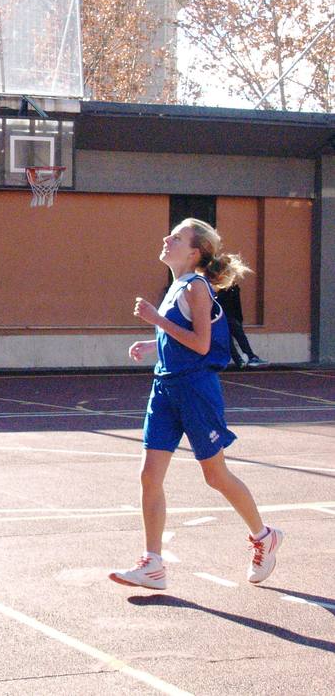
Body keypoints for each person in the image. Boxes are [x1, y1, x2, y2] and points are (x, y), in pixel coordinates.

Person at [110, 218, 283, 590]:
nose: (165, 239)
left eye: (175, 237)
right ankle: (153, 563)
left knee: (214, 475)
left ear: (194, 251)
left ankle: (264, 536)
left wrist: (156, 321)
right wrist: (154, 345)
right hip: (165, 386)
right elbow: (181, 338)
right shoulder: (174, 286)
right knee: (149, 475)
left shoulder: (197, 287)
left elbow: (202, 344)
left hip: (195, 389)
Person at [215, 283, 268, 369]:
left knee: (239, 335)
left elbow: (237, 304)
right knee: (228, 339)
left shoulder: (234, 287)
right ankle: (239, 360)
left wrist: (239, 318)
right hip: (220, 315)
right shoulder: (216, 287)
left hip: (230, 316)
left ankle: (250, 357)